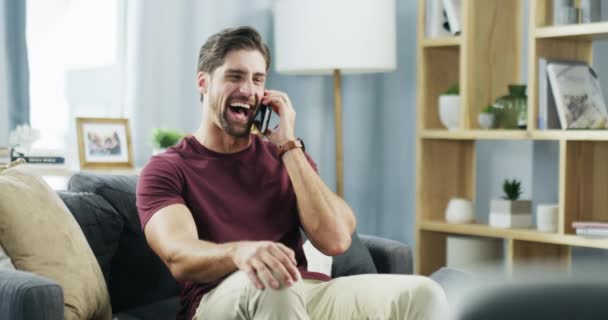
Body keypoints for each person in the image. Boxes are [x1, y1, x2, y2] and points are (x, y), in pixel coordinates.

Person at [136, 26, 447, 320]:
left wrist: (288, 145)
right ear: (203, 83)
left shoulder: (283, 156)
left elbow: (337, 239)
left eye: (258, 79)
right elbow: (179, 255)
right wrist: (240, 253)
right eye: (235, 76)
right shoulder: (168, 169)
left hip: (302, 289)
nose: (248, 89)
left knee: (423, 293)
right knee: (275, 282)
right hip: (216, 300)